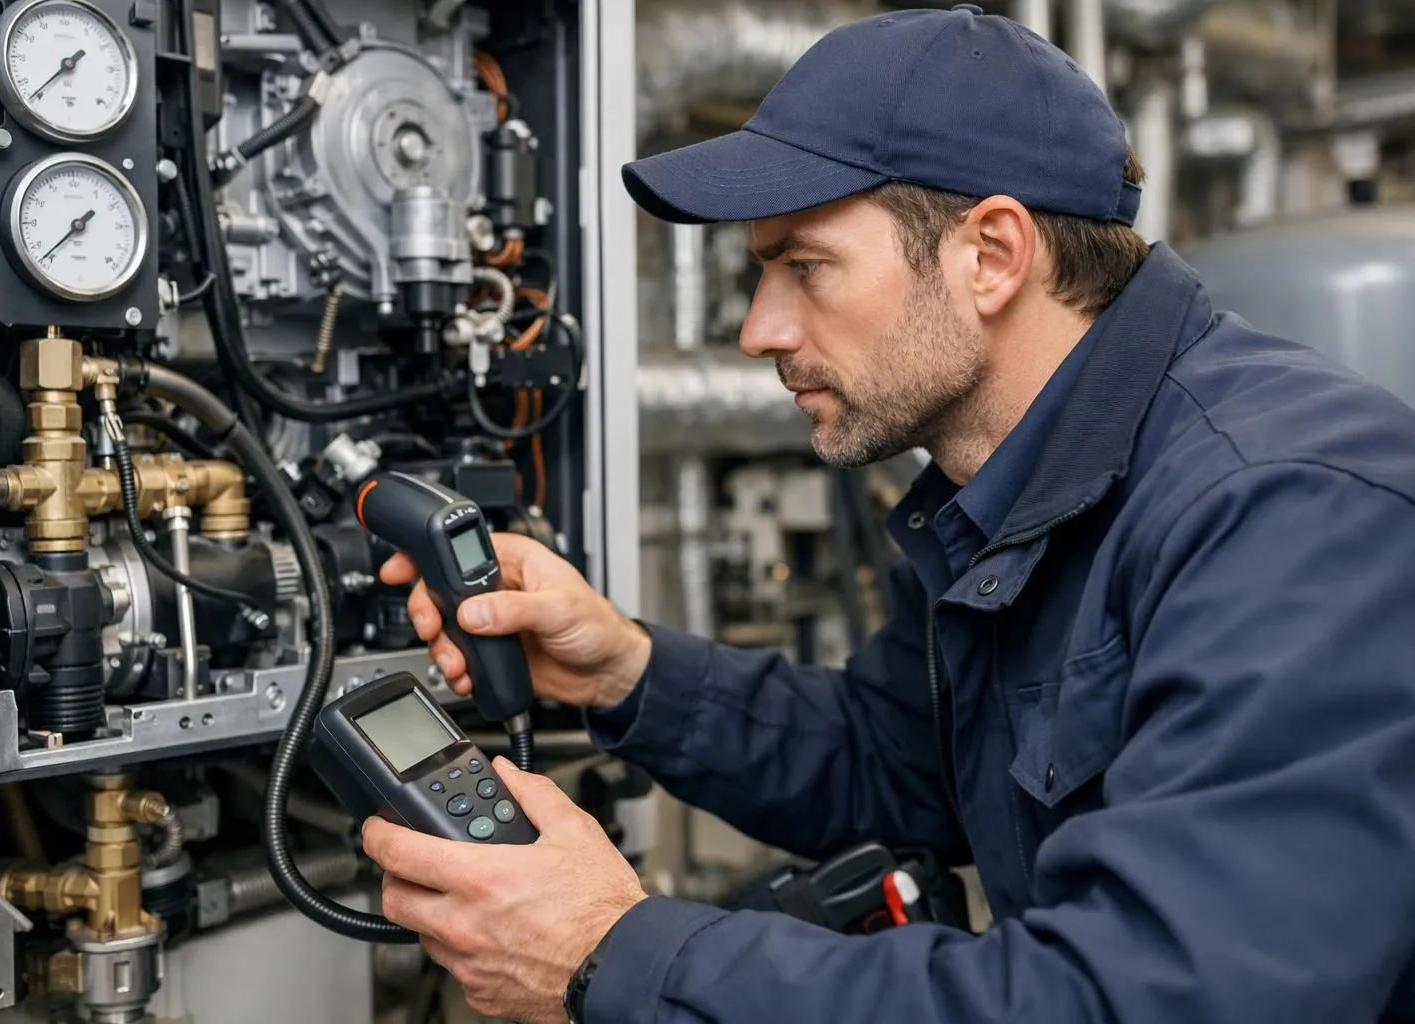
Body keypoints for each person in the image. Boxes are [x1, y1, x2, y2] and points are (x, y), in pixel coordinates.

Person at [360, 6, 1415, 1023]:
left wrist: (612, 952)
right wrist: (621, 671)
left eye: (805, 268)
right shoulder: (1018, 489)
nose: (759, 329)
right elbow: (894, 757)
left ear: (992, 255)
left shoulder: (1289, 512)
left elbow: (1147, 998)